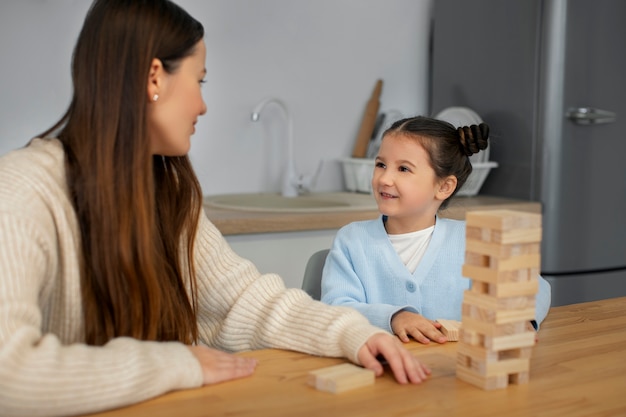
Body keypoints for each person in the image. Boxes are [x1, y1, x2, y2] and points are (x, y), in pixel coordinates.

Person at [0, 1, 430, 416]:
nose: (203, 105)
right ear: (154, 77)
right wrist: (176, 363)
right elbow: (9, 373)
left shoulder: (166, 188)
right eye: (200, 80)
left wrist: (351, 333)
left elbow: (243, 301)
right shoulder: (22, 189)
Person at [320, 116, 551, 344]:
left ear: (444, 186)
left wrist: (522, 319)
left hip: (454, 374)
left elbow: (533, 286)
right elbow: (336, 306)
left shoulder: (474, 239)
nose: (385, 178)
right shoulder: (352, 240)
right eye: (381, 164)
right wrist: (393, 318)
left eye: (403, 169)